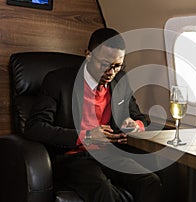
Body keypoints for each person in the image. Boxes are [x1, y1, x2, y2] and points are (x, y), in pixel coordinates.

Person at [25, 28, 162, 202]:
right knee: (103, 189)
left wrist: (135, 125)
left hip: (109, 154)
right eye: (105, 65)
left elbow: (140, 118)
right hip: (72, 157)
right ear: (88, 55)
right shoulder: (58, 81)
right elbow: (34, 127)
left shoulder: (121, 80)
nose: (111, 72)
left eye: (117, 66)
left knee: (150, 181)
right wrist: (86, 136)